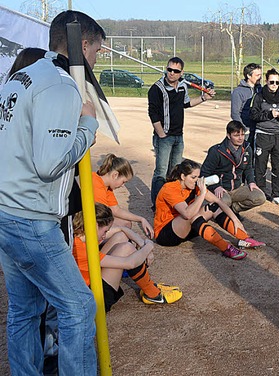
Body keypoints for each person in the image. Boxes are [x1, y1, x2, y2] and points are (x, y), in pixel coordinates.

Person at [0, 10, 103, 374]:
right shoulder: (60, 85)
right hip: (32, 217)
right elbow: (49, 163)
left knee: (24, 310)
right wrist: (88, 127)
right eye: (96, 52)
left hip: (6, 211)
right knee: (78, 307)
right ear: (83, 45)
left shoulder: (20, 77)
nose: (94, 61)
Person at [72, 204, 182, 309]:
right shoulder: (81, 249)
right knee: (127, 249)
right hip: (93, 300)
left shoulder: (79, 236)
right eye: (105, 231)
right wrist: (148, 246)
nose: (105, 235)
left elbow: (122, 230)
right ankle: (152, 294)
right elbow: (130, 263)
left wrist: (140, 242)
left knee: (120, 236)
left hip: (88, 283)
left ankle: (149, 285)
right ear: (95, 226)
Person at [154, 159, 264, 259]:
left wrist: (235, 220)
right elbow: (187, 214)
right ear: (183, 177)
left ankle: (244, 239)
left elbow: (218, 201)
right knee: (192, 215)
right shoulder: (170, 188)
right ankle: (226, 248)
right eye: (193, 177)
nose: (196, 181)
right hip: (166, 235)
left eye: (198, 177)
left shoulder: (193, 185)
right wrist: (202, 194)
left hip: (185, 229)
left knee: (213, 206)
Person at [148, 56, 214, 209]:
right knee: (161, 172)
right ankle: (157, 204)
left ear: (181, 72)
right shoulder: (156, 88)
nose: (171, 73)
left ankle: (172, 201)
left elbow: (186, 103)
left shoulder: (183, 86)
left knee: (175, 171)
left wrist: (204, 97)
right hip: (164, 136)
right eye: (169, 69)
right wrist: (161, 134)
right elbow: (153, 113)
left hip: (179, 135)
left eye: (175, 71)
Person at [201, 120, 266, 215]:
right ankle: (214, 214)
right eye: (236, 135)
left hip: (237, 187)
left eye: (242, 135)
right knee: (225, 202)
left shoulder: (247, 148)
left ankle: (234, 209)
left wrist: (252, 182)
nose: (240, 138)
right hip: (221, 188)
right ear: (228, 135)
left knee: (260, 197)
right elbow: (204, 173)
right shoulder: (216, 151)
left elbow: (249, 168)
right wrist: (215, 187)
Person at [250, 68, 279, 206]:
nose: (274, 84)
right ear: (266, 81)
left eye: (277, 82)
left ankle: (277, 194)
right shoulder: (259, 96)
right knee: (260, 166)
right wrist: (269, 114)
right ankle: (260, 192)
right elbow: (253, 115)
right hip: (263, 135)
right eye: (271, 82)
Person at [94, 154, 154, 238]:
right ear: (115, 175)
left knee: (126, 223)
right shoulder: (96, 185)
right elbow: (101, 218)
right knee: (123, 233)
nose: (123, 185)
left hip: (96, 222)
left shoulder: (106, 186)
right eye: (123, 181)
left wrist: (141, 219)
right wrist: (123, 230)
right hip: (89, 226)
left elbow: (116, 210)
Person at [231, 63, 262, 147]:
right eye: (257, 75)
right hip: (247, 130)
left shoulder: (261, 90)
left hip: (259, 129)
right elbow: (235, 114)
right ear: (248, 75)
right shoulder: (238, 92)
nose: (260, 77)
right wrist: (244, 129)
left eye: (261, 75)